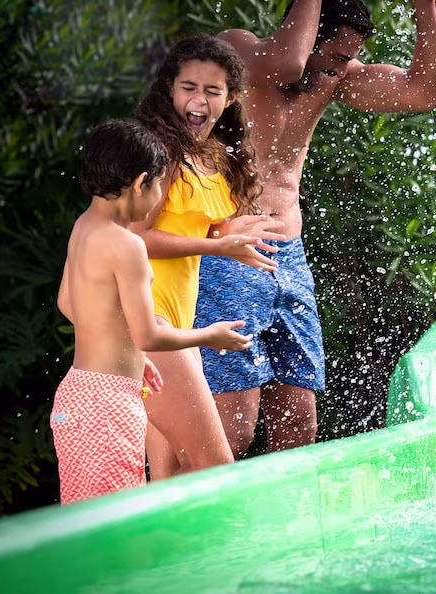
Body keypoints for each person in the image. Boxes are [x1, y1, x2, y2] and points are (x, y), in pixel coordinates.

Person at [207, 0, 436, 456]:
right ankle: (209, 524)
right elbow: (287, 62)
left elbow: (427, 91)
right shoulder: (239, 53)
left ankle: (283, 525)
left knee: (298, 424)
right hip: (229, 252)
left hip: (290, 256)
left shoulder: (333, 79)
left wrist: (425, 6)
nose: (341, 68)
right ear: (308, 33)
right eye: (336, 56)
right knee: (233, 430)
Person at [52, 119, 252, 504]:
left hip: (77, 397)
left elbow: (67, 302)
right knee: (117, 526)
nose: (160, 195)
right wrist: (210, 336)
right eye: (161, 185)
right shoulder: (127, 246)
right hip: (110, 407)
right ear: (142, 182)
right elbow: (149, 336)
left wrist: (126, 353)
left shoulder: (83, 228)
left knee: (86, 524)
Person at [132, 35, 286, 479]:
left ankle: (170, 552)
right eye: (188, 88)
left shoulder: (214, 154)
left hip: (178, 318)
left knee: (171, 473)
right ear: (169, 89)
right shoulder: (159, 155)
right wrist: (218, 246)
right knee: (212, 468)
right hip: (150, 317)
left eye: (212, 91)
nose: (198, 100)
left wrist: (225, 231)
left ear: (231, 98)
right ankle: (237, 550)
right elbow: (138, 237)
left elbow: (190, 224)